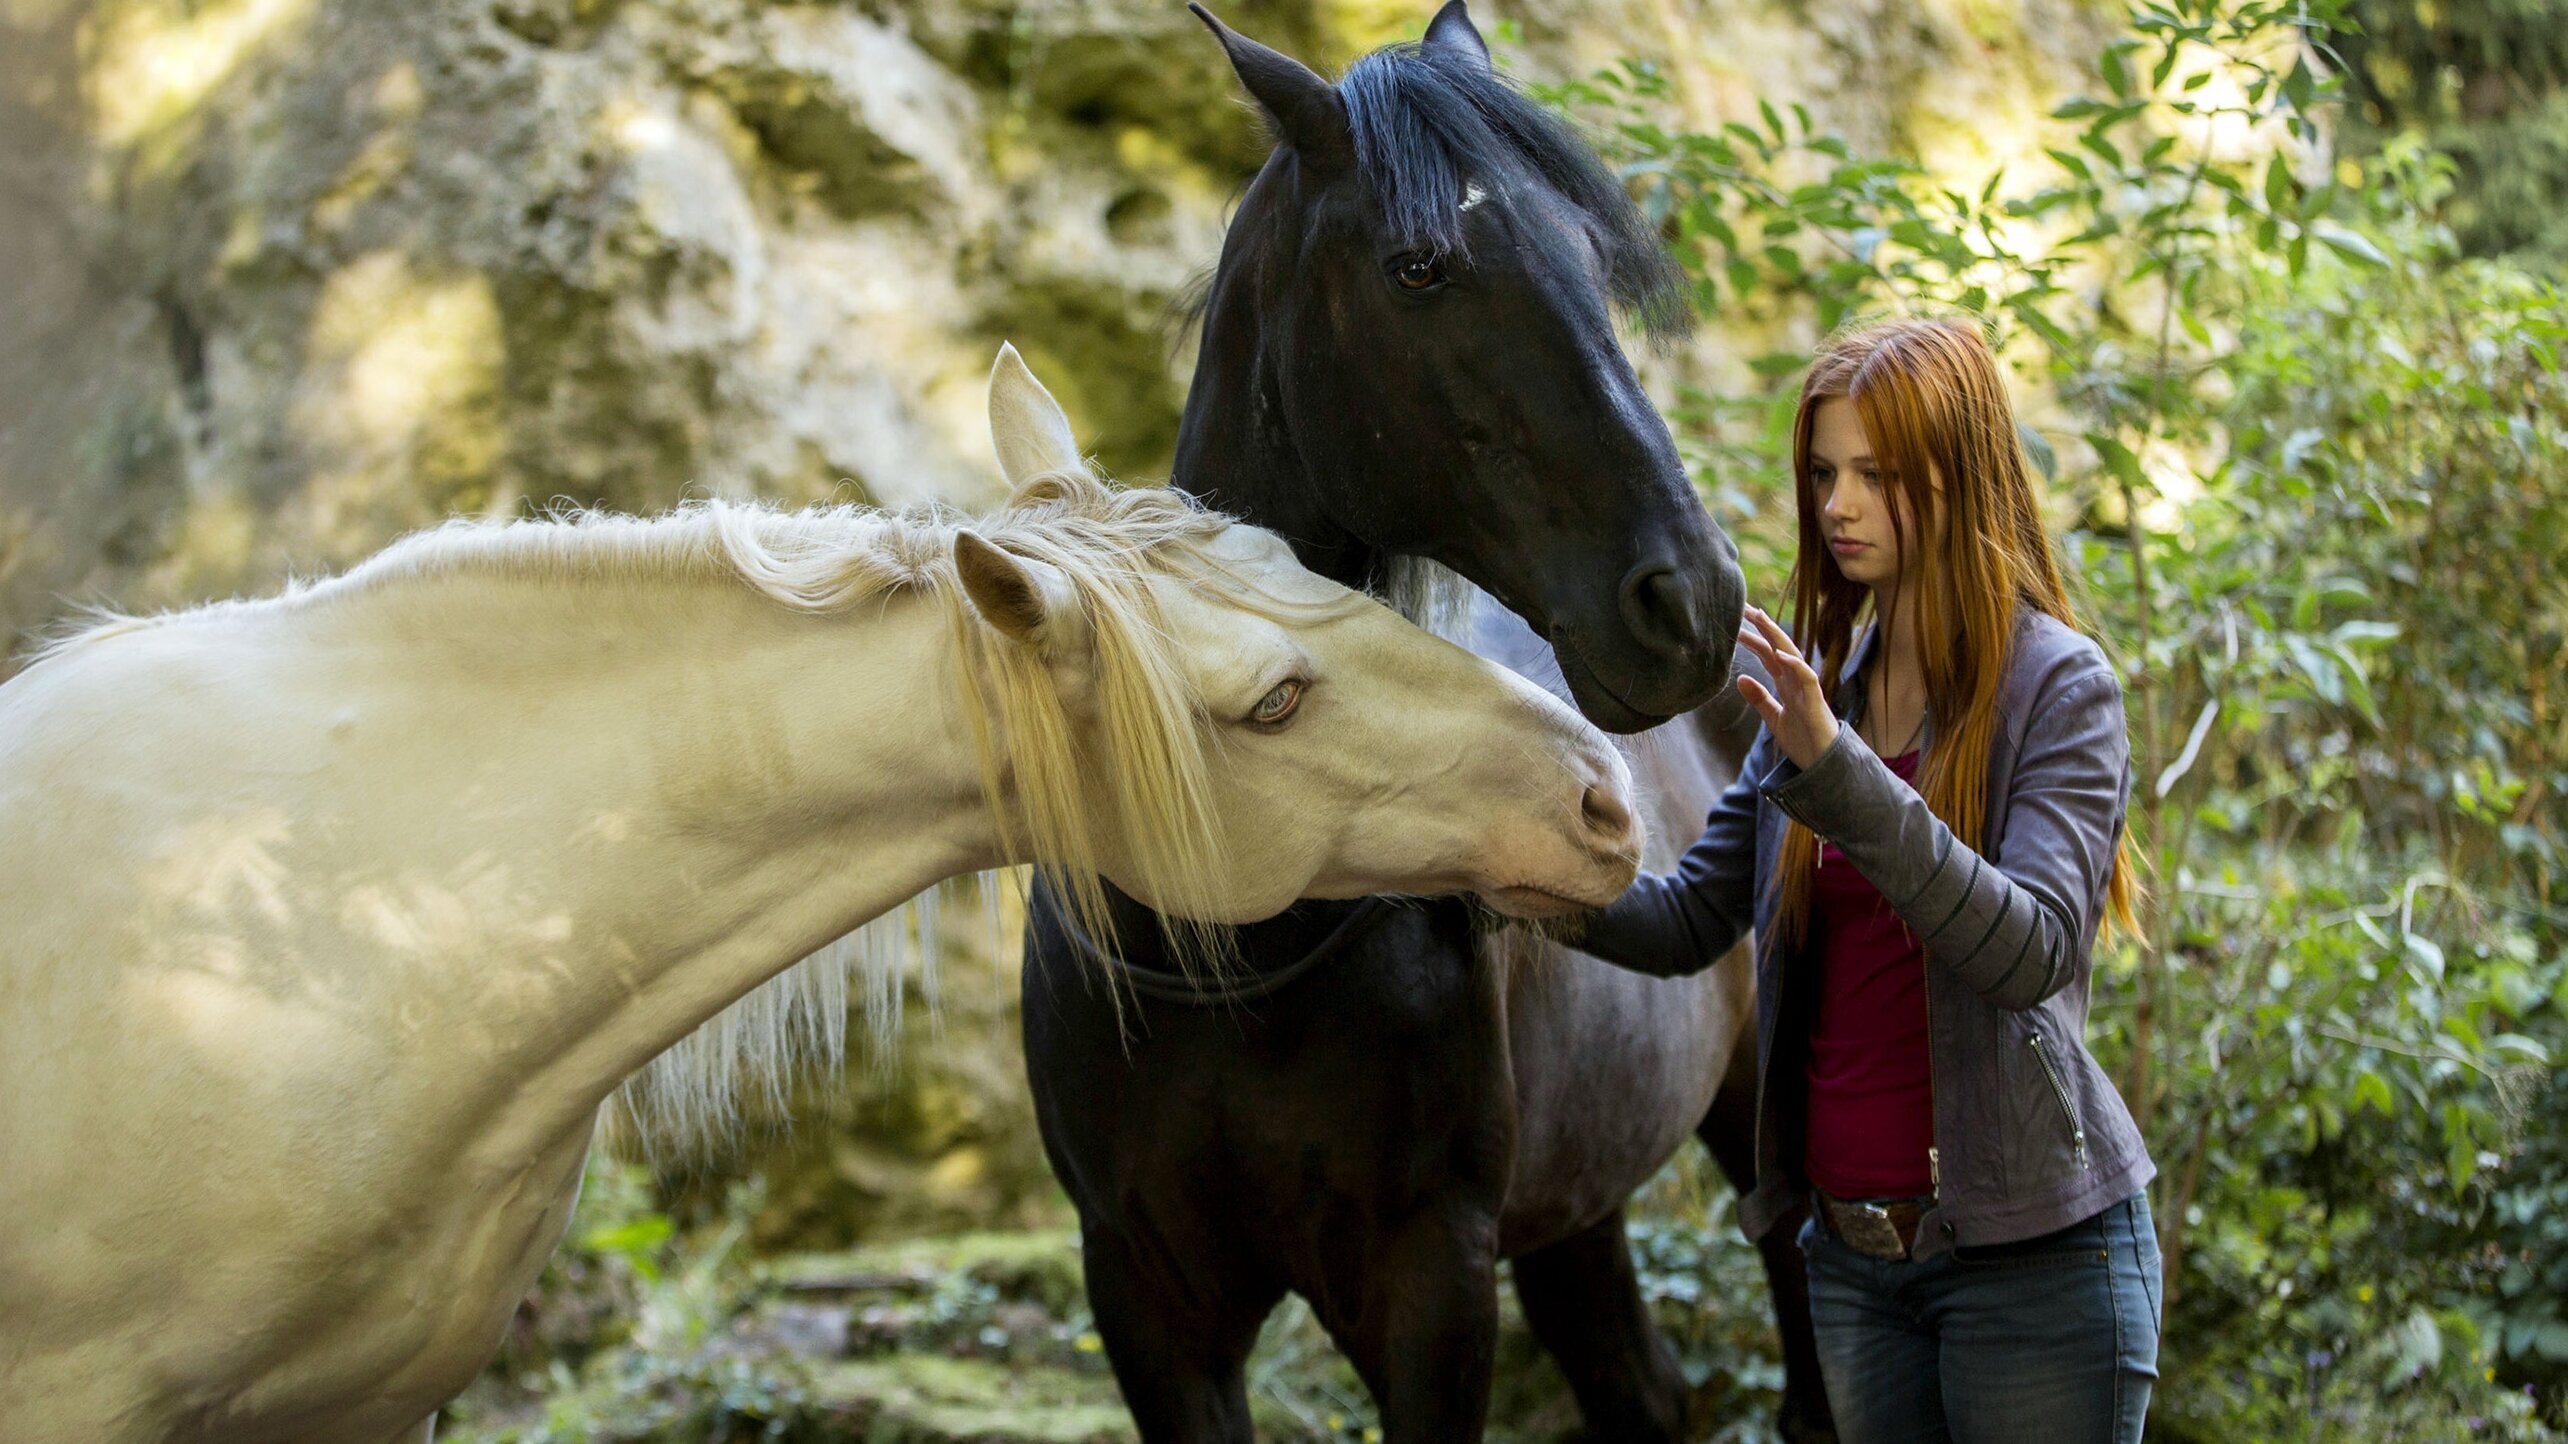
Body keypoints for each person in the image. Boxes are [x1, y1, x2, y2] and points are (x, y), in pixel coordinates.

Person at [1574, 316, 2161, 1443]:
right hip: (1849, 1270)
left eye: (1875, 475)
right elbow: (1692, 914)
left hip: (2035, 1270)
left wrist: (1837, 771)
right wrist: (1515, 877)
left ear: (1961, 477)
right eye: (1823, 473)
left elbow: (2030, 947)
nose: (1836, 505)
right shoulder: (1825, 687)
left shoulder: (2059, 688)